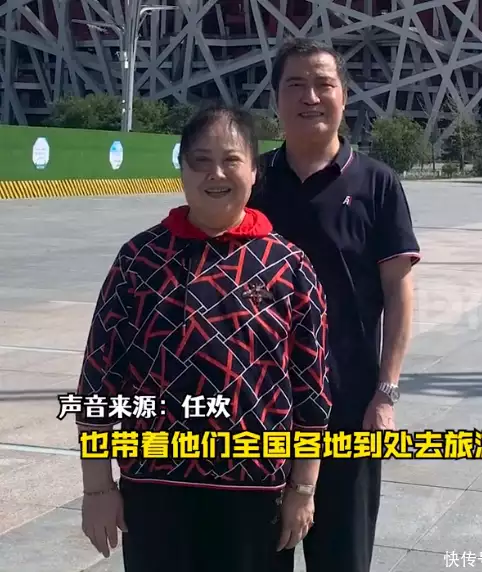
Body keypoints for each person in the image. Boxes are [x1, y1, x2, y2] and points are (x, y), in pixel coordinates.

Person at [74, 103, 332, 572]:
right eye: (201, 160)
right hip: (154, 488)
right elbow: (98, 382)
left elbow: (311, 392)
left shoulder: (289, 266)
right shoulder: (139, 260)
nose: (217, 173)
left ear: (254, 171)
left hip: (256, 492)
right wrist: (97, 488)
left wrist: (303, 488)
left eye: (232, 160)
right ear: (182, 169)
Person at [247, 38, 421, 572]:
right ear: (276, 98)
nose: (310, 97)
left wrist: (386, 393)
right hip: (258, 410)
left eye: (323, 84)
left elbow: (398, 294)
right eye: (295, 85)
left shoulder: (376, 183)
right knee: (256, 556)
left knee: (343, 557)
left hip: (348, 407)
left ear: (344, 96)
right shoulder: (251, 181)